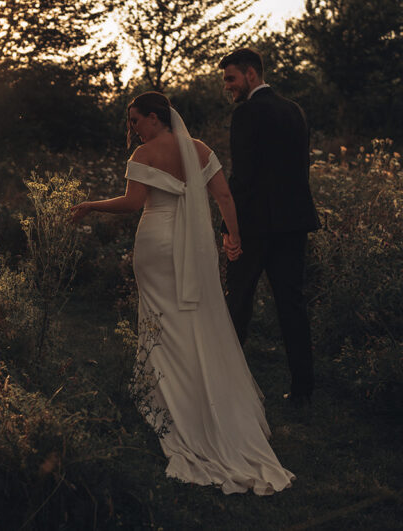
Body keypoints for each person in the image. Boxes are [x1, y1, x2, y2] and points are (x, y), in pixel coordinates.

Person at [70, 91, 293, 495]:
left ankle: (169, 399)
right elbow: (224, 196)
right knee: (197, 316)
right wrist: (233, 238)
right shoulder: (200, 149)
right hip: (195, 245)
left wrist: (92, 205)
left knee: (161, 319)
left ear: (156, 118)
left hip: (157, 243)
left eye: (136, 120)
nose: (133, 129)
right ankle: (205, 399)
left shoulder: (144, 156)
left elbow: (133, 203)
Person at [218, 48, 321, 408]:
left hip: (255, 227)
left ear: (250, 74)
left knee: (238, 302)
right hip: (293, 224)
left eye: (231, 78)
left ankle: (225, 385)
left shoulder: (246, 114)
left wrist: (229, 229)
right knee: (292, 305)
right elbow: (299, 169)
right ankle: (303, 390)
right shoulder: (294, 110)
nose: (228, 87)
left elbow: (242, 177)